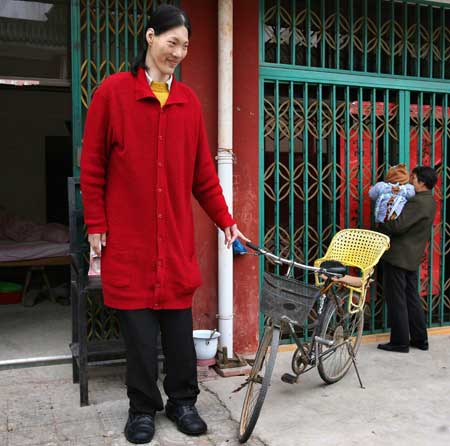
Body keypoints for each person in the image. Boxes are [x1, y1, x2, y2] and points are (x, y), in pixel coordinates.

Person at [80, 5, 248, 444]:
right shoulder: (112, 94)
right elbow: (93, 165)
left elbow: (202, 177)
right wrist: (95, 223)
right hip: (131, 244)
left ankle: (182, 401)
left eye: (186, 46)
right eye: (172, 42)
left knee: (177, 335)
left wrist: (226, 221)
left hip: (172, 244)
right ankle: (141, 408)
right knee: (137, 337)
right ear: (150, 37)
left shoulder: (188, 102)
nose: (179, 52)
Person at [377, 165, 438, 353]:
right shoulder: (430, 201)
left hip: (399, 256)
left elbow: (398, 227)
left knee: (397, 299)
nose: (411, 181)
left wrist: (382, 224)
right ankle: (420, 339)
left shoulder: (418, 202)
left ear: (421, 182)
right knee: (411, 297)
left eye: (414, 178)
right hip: (411, 255)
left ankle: (400, 342)